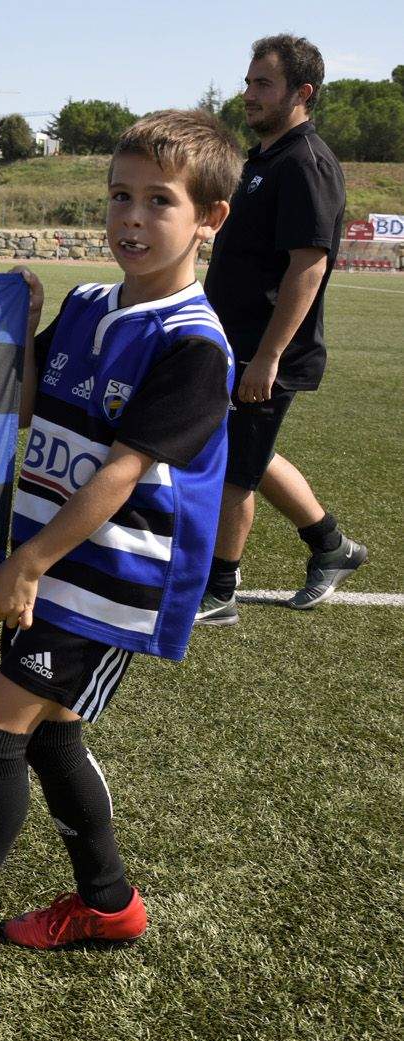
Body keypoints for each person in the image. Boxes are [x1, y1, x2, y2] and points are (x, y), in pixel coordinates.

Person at [0, 111, 239, 991]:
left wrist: (28, 563)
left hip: (110, 577)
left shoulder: (194, 345)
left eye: (160, 201)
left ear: (210, 219)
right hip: (56, 561)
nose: (131, 218)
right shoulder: (91, 305)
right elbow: (24, 404)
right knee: (52, 739)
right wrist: (23, 318)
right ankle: (107, 901)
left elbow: (122, 474)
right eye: (119, 196)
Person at [197, 34, 366, 625]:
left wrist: (268, 357)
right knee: (250, 454)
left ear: (302, 92)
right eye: (248, 82)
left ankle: (220, 591)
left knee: (234, 471)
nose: (249, 93)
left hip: (265, 350)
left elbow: (308, 265)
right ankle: (331, 546)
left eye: (263, 83)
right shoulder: (264, 160)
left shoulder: (305, 163)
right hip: (233, 341)